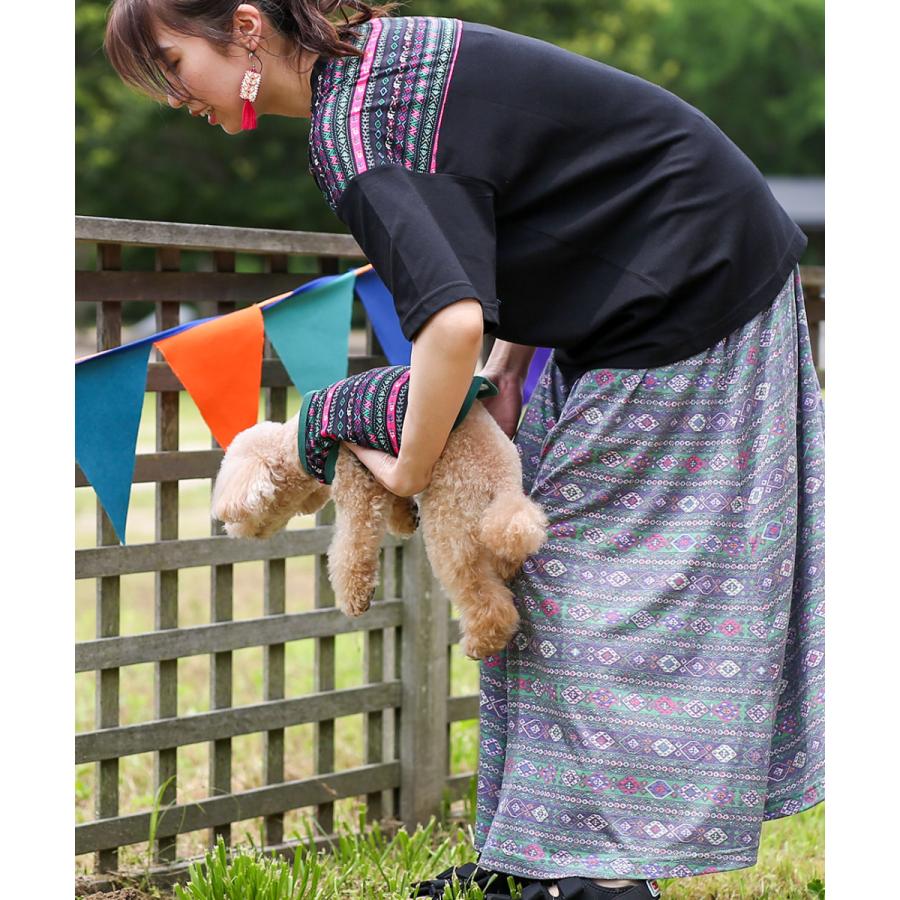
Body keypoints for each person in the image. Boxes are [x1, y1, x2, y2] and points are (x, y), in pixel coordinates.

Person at [103, 2, 825, 898]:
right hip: (649, 283)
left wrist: (409, 460)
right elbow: (538, 202)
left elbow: (448, 318)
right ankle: (534, 858)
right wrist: (512, 365)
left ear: (245, 27)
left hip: (691, 287)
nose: (174, 96)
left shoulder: (356, 128)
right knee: (522, 559)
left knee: (562, 570)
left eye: (173, 62)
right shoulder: (375, 70)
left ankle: (596, 877)